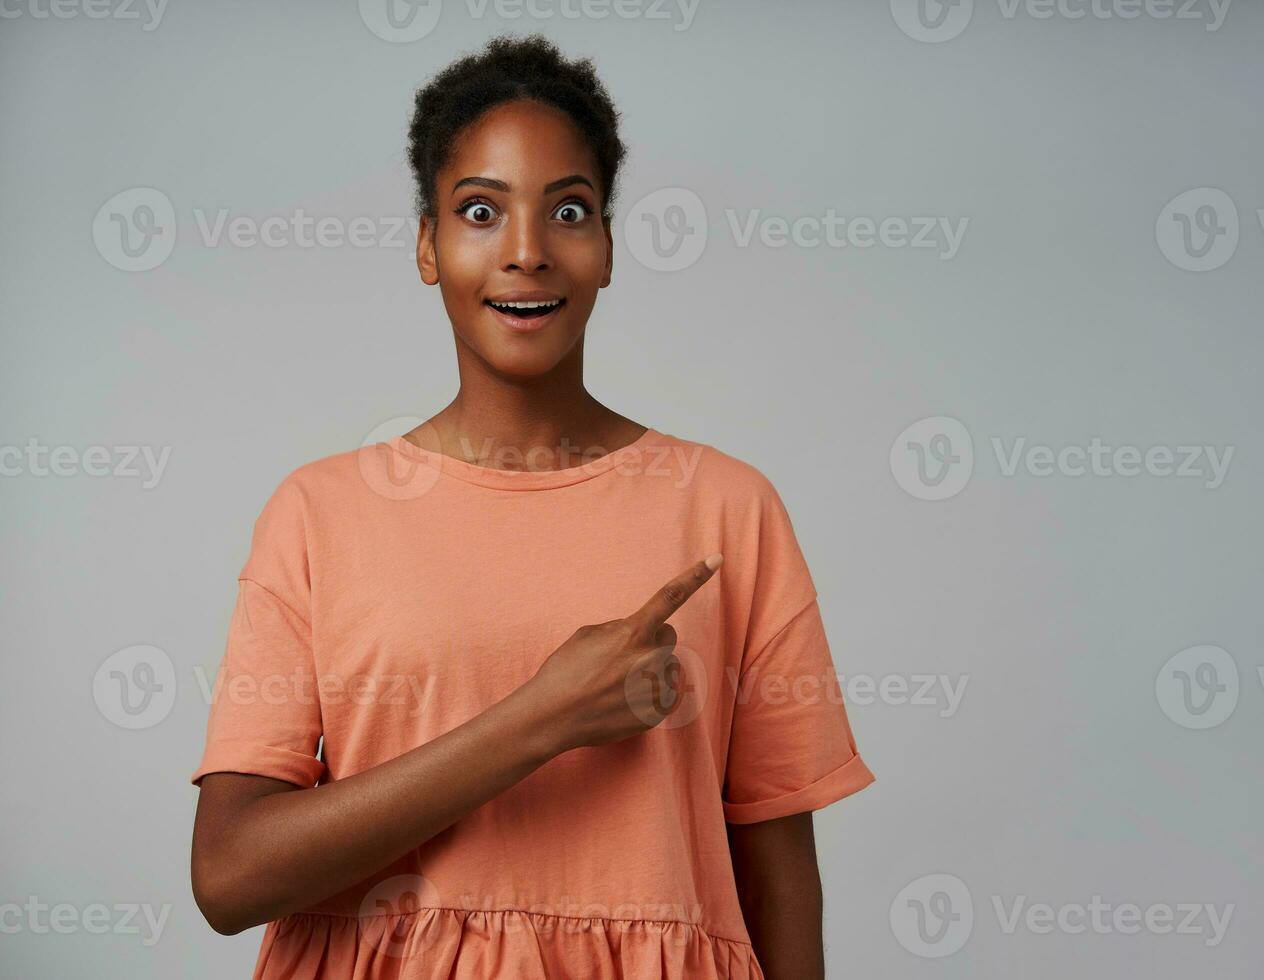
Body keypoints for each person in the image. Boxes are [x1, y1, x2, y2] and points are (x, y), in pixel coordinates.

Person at [188, 33, 874, 980]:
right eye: (480, 211)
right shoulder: (319, 514)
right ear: (428, 246)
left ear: (605, 252)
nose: (526, 253)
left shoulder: (728, 511)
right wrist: (542, 718)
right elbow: (229, 877)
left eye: (569, 211)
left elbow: (782, 882)